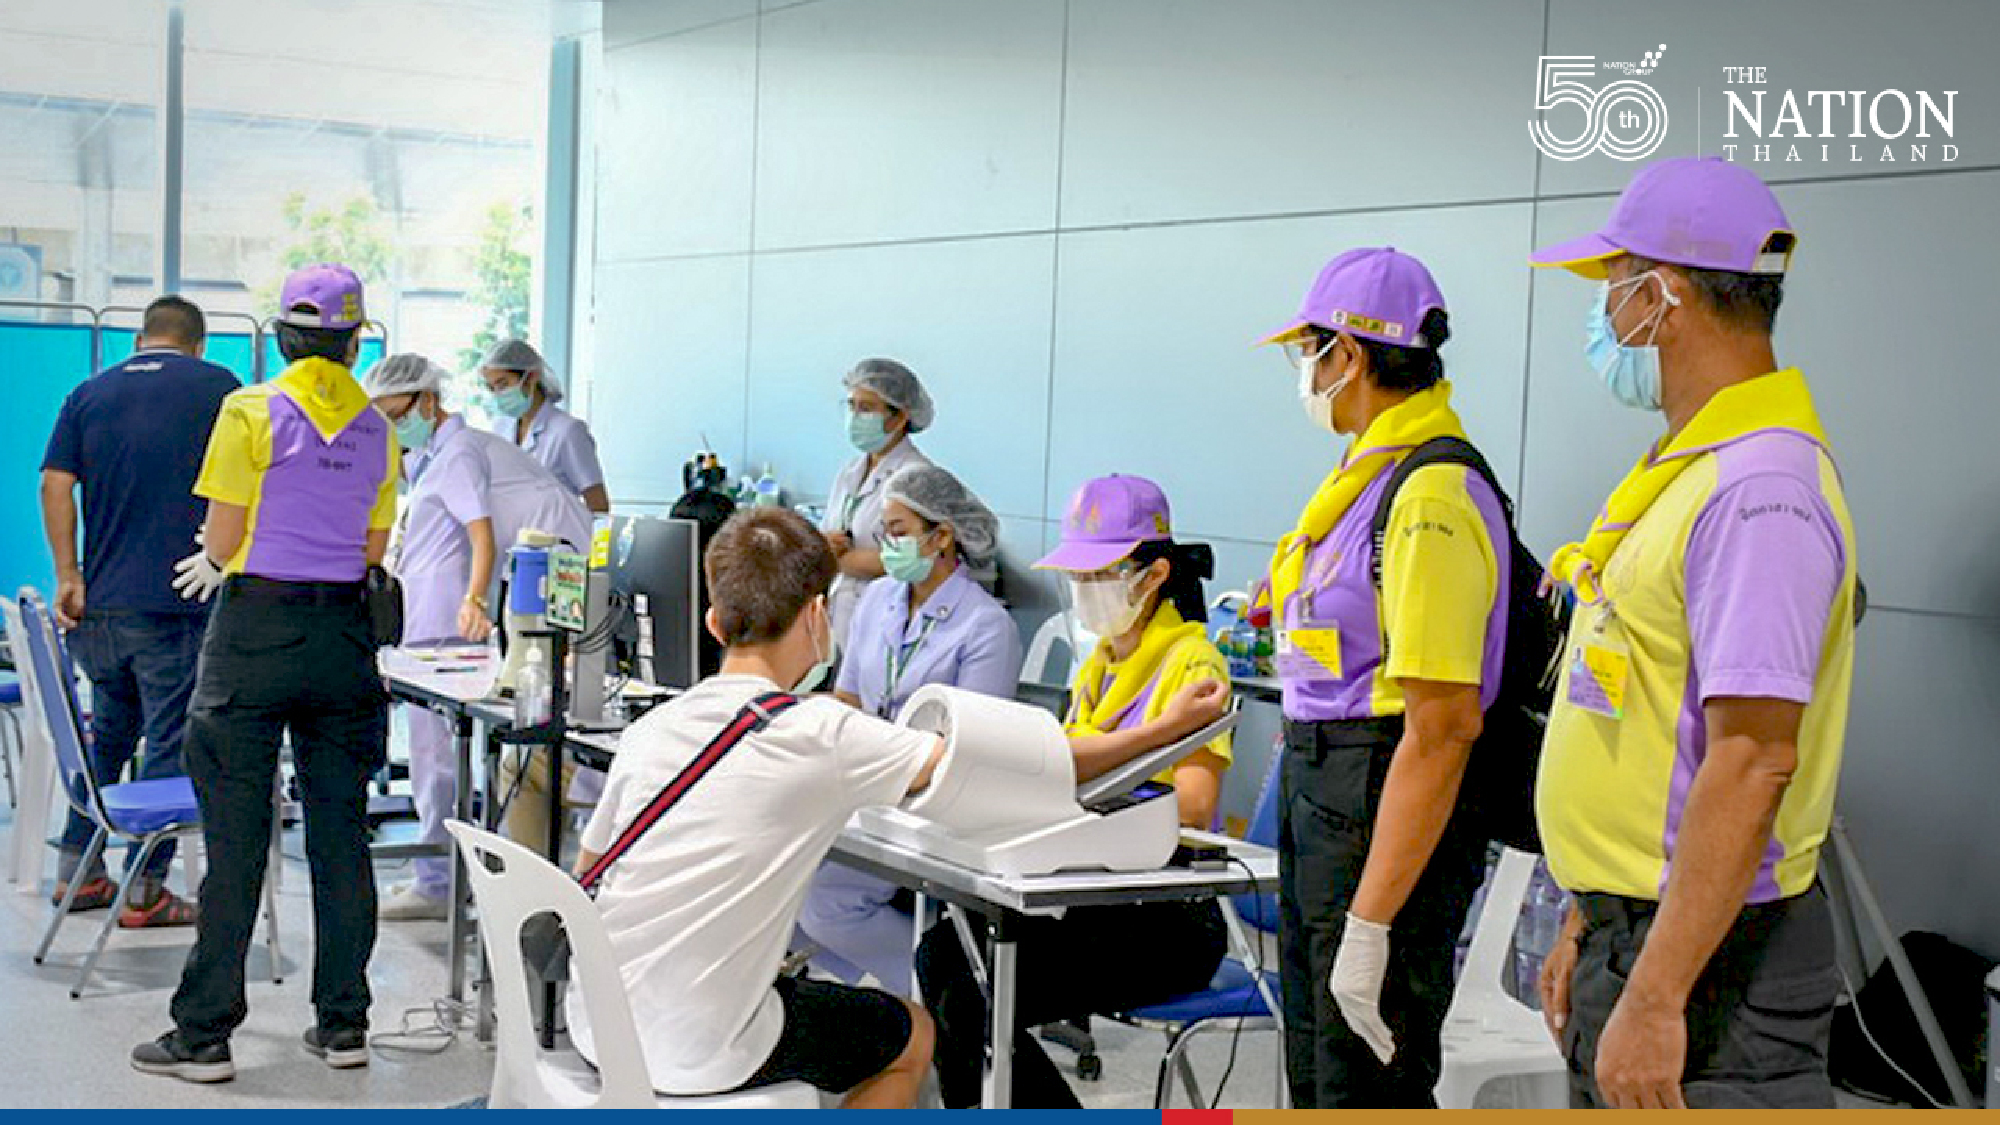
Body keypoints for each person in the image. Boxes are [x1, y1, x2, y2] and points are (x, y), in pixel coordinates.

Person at [1528, 157, 1856, 1110]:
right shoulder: (1687, 470)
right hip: (1645, 935)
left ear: (1661, 298)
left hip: (1715, 977)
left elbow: (1752, 757)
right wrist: (1589, 920)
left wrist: (1657, 994)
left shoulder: (1759, 492)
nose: (1603, 319)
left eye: (1611, 287)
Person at [569, 507, 944, 1107]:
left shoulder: (652, 728)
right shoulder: (823, 730)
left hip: (598, 1024)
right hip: (701, 1047)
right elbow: (951, 764)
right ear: (819, 616)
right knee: (914, 1034)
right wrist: (1149, 734)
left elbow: (587, 872)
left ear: (714, 624)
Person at [131, 263, 400, 1083]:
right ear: (355, 343)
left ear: (283, 336)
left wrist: (224, 560)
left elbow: (222, 533)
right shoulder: (380, 430)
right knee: (340, 835)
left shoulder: (249, 410)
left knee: (238, 840)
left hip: (255, 632)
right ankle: (344, 1022)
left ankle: (205, 1034)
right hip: (342, 638)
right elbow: (371, 550)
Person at [1255, 247, 1510, 1107]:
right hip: (1328, 780)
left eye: (1310, 352)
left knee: (1366, 1078)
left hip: (1378, 791)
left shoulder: (1429, 490)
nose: (1308, 374)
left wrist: (1370, 925)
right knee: (1324, 1070)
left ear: (1350, 355)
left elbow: (1444, 725)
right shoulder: (1362, 475)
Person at [916, 473, 1234, 1109]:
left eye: (1100, 575)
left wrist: (1113, 774)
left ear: (1153, 574)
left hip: (1164, 922)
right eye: (1079, 578)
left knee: (979, 990)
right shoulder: (1099, 667)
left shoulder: (1194, 664)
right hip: (1083, 896)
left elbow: (1195, 808)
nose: (1086, 592)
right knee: (942, 954)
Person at [363, 353, 593, 921]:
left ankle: (440, 879)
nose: (392, 427)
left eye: (396, 415)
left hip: (458, 611)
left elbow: (481, 535)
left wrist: (472, 600)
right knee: (435, 749)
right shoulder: (431, 454)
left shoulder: (461, 451)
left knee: (438, 752)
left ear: (427, 402)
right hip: (440, 605)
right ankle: (440, 871)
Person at [38, 295, 237, 928]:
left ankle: (79, 870)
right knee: (171, 743)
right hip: (175, 603)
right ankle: (146, 891)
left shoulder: (88, 393)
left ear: (139, 340)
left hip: (97, 605)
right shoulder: (220, 389)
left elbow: (54, 483)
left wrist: (68, 574)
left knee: (109, 735)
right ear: (198, 344)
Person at [797, 464, 1020, 996]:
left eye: (897, 531)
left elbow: (973, 751)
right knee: (780, 877)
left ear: (941, 536)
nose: (885, 544)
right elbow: (849, 696)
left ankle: (958, 997)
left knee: (826, 900)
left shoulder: (987, 627)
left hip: (934, 805)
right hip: (871, 787)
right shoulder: (878, 599)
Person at [820, 358, 935, 653]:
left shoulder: (915, 477)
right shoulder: (850, 472)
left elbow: (913, 558)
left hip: (886, 616)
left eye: (867, 408)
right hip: (840, 613)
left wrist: (834, 558)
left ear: (898, 419)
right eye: (851, 406)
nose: (855, 416)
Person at [479, 338, 610, 513]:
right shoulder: (500, 428)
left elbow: (598, 504)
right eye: (491, 388)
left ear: (531, 377)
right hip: (511, 536)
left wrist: (588, 539)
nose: (497, 394)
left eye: (503, 384)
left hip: (559, 537)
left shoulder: (568, 431)